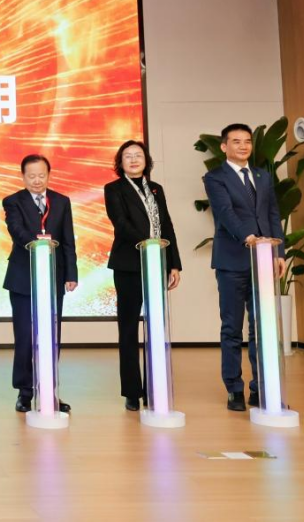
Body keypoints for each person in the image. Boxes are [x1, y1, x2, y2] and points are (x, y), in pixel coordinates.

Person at [202, 123, 286, 412]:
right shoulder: (215, 177)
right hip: (232, 260)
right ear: (224, 146)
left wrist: (278, 252)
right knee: (232, 328)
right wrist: (248, 237)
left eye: (247, 141)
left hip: (263, 260)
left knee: (261, 328)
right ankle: (234, 389)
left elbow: (273, 214)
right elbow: (225, 213)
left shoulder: (263, 176)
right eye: (236, 141)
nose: (243, 146)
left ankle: (260, 388)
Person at [103, 140, 182, 412]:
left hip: (157, 264)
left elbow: (167, 225)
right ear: (120, 162)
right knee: (128, 329)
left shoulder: (156, 188)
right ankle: (132, 392)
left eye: (138, 155)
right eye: (128, 156)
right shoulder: (114, 189)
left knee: (156, 327)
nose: (134, 159)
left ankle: (154, 387)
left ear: (146, 160)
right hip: (128, 265)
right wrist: (149, 243)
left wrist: (174, 263)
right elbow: (121, 224)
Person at [3, 154, 78, 413]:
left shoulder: (62, 201)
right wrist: (38, 244)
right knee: (25, 337)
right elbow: (16, 230)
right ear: (23, 177)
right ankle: (24, 392)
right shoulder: (13, 201)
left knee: (51, 337)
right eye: (31, 176)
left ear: (49, 175)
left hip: (53, 277)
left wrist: (71, 274)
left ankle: (49, 391)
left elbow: (68, 240)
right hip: (23, 278)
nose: (37, 180)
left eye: (41, 175)